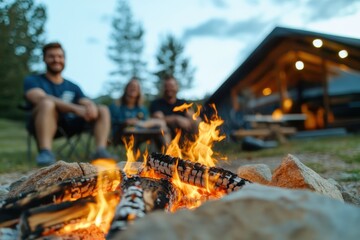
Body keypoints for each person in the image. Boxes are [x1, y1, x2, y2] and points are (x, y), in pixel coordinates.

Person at [24, 42, 114, 166]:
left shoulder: (73, 86)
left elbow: (84, 100)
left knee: (103, 109)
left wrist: (90, 105)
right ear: (44, 59)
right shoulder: (33, 80)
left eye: (60, 56)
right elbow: (37, 97)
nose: (56, 59)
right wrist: (76, 109)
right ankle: (45, 152)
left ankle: (100, 150)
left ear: (64, 59)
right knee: (47, 103)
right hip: (43, 123)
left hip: (70, 125)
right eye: (51, 56)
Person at [109, 77, 170, 151]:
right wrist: (126, 122)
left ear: (139, 91)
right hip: (120, 135)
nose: (133, 88)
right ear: (126, 89)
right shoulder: (116, 106)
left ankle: (167, 153)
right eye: (131, 86)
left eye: (136, 87)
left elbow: (146, 122)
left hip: (140, 134)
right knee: (157, 124)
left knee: (160, 127)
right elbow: (112, 123)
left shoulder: (142, 109)